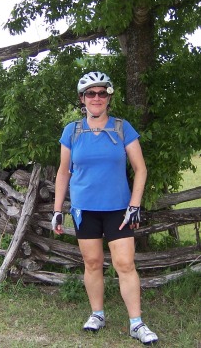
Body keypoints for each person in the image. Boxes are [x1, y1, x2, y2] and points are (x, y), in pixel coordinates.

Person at [52, 71, 158, 345]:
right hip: (84, 209)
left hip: (118, 210)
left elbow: (141, 169)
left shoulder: (122, 128)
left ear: (108, 97)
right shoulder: (72, 131)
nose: (96, 98)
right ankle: (97, 314)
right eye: (90, 93)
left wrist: (134, 205)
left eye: (101, 93)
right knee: (92, 263)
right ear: (82, 99)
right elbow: (63, 173)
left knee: (125, 264)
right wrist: (57, 209)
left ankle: (136, 323)